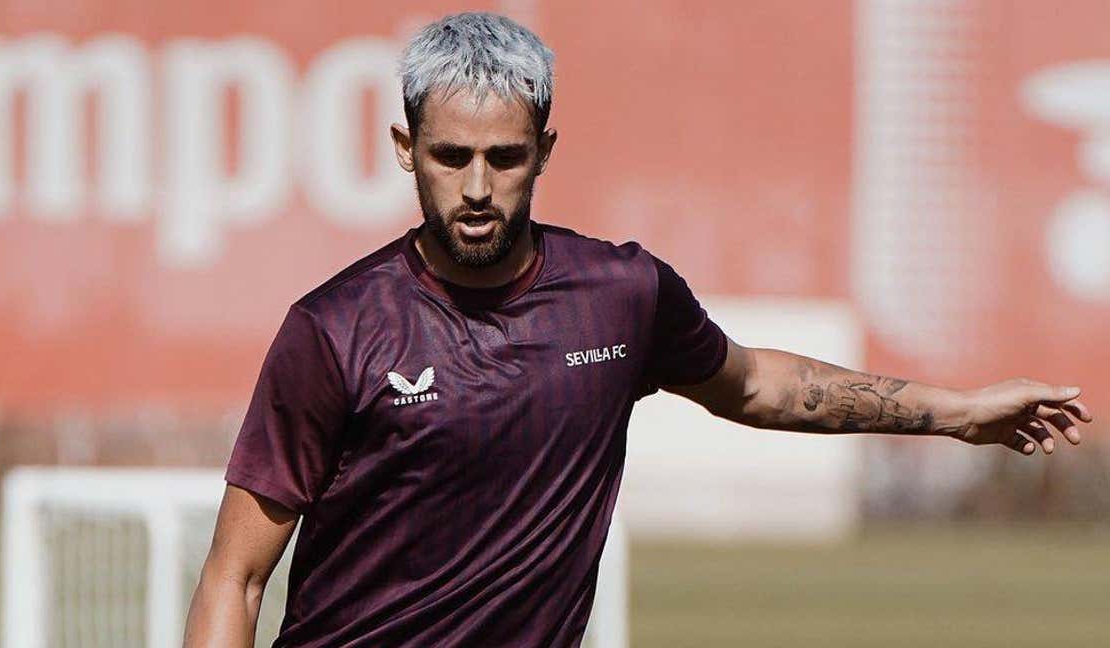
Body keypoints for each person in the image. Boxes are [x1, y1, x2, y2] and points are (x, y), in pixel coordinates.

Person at [183, 12, 1094, 648]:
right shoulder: (333, 329)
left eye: (503, 158)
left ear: (544, 150)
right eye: (449, 156)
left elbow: (757, 386)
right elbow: (237, 577)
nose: (474, 187)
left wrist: (956, 412)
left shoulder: (620, 294)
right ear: (403, 147)